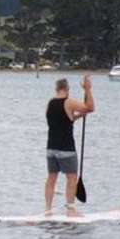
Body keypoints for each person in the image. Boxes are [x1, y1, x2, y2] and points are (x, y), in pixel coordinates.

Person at [44, 76, 95, 216]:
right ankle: (71, 210)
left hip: (51, 149)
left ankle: (48, 210)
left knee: (51, 178)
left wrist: (78, 116)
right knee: (72, 178)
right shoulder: (69, 101)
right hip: (66, 149)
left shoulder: (50, 103)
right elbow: (91, 107)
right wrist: (88, 89)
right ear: (67, 89)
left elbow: (62, 121)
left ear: (56, 89)